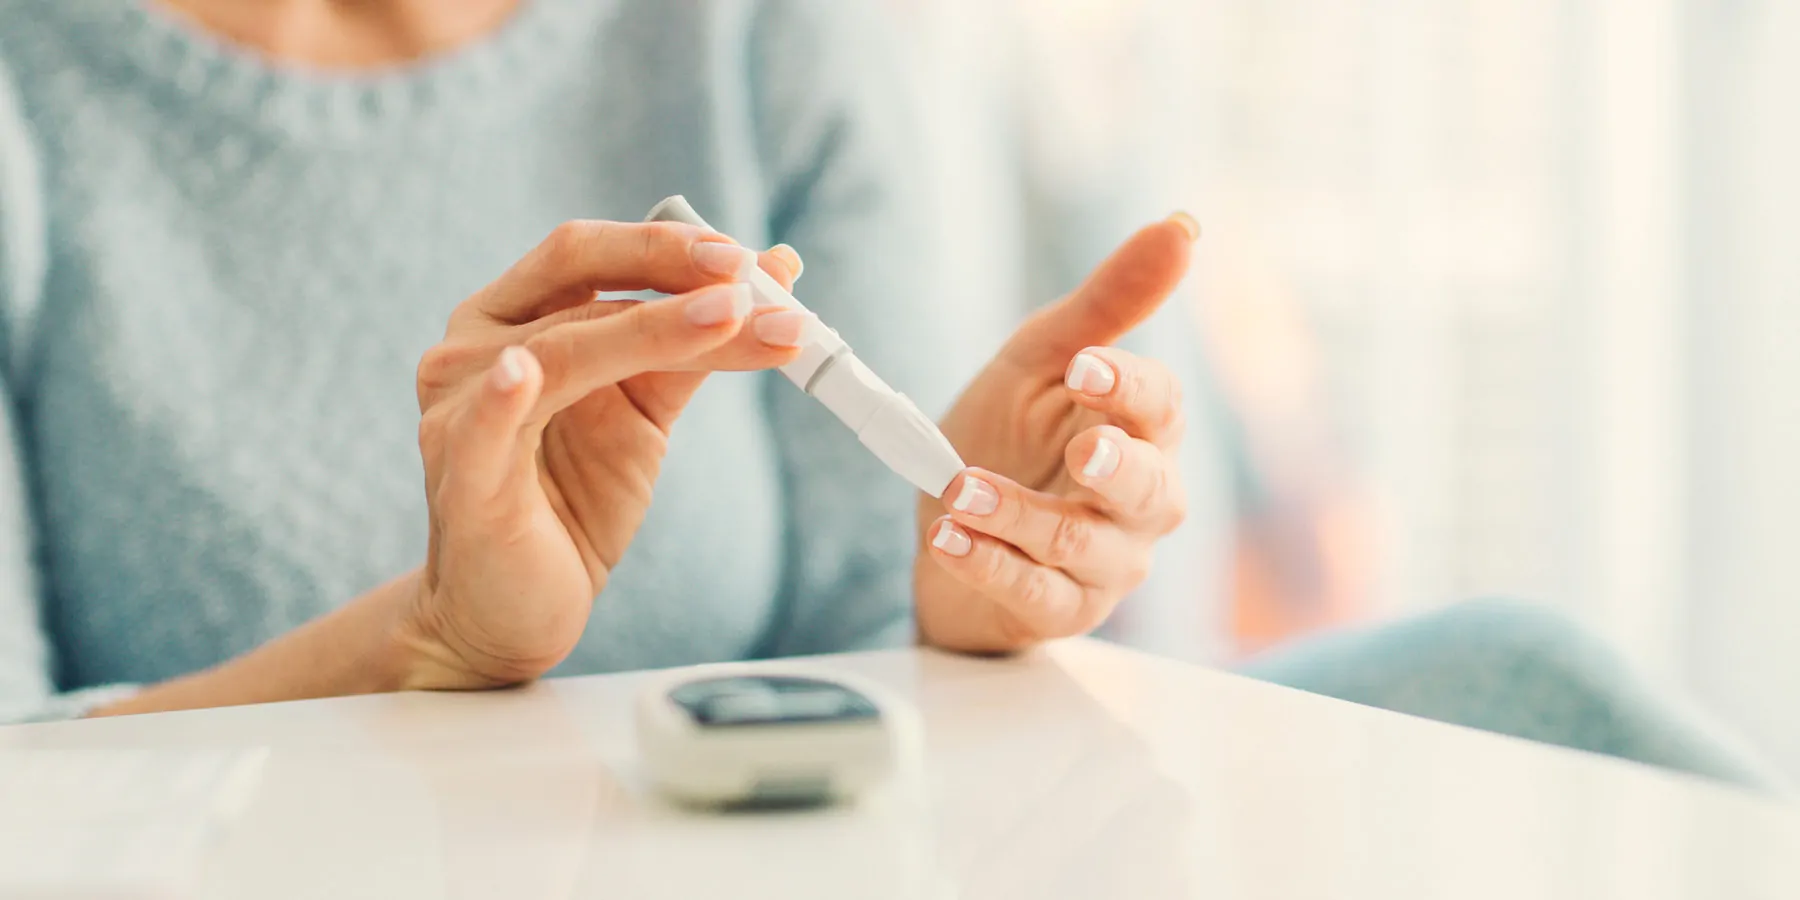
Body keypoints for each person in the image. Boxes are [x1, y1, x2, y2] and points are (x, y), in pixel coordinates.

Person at [0, 0, 1781, 791]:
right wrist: (427, 651)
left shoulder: (757, 24)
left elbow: (894, 696)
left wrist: (974, 592)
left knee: (1534, 690)